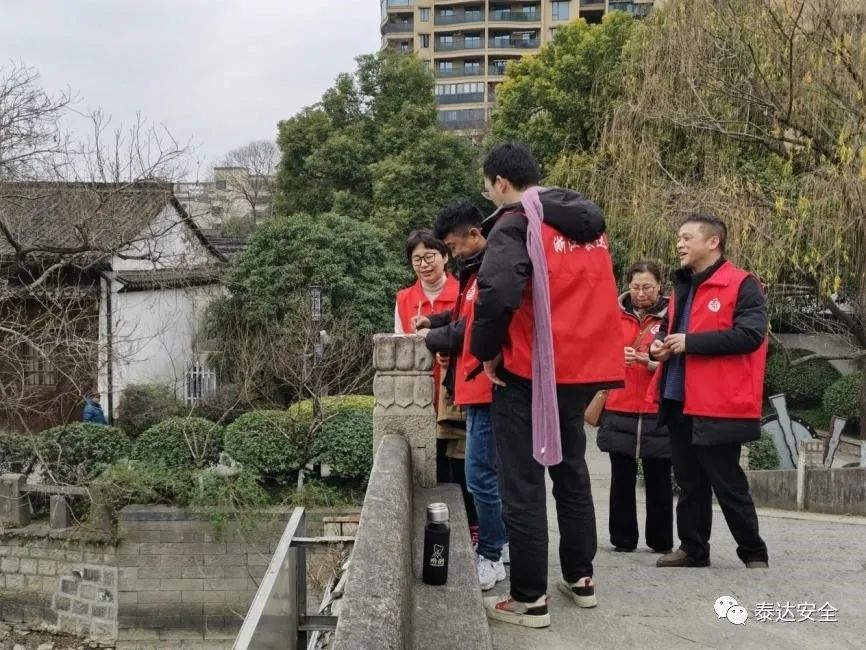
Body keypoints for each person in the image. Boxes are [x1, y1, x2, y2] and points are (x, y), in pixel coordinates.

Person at [469, 143, 625, 628]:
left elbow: (497, 292)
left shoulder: (517, 222)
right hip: (583, 367)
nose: (489, 194)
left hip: (532, 370)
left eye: (487, 187)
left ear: (500, 182)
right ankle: (581, 577)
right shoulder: (585, 225)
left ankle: (529, 598)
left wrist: (486, 351)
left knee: (523, 483)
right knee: (571, 472)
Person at [648, 213, 769, 570]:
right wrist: (659, 346)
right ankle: (693, 548)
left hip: (717, 402)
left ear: (713, 241)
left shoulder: (743, 284)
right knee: (688, 480)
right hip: (678, 396)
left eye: (687, 237)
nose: (679, 244)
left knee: (727, 481)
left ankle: (753, 552)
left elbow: (751, 335)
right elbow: (669, 328)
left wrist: (691, 343)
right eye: (678, 238)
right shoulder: (682, 285)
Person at [413, 201, 509, 592]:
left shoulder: (492, 270)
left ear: (474, 233)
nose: (452, 254)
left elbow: (469, 329)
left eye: (452, 247)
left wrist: (430, 336)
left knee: (480, 477)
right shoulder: (475, 269)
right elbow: (460, 316)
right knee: (483, 475)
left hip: (487, 387)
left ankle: (492, 552)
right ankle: (499, 545)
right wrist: (434, 321)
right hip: (473, 386)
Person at [597, 260, 673, 554]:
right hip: (620, 404)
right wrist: (616, 358)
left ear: (659, 286)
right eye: (635, 287)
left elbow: (680, 362)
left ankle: (661, 540)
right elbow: (596, 352)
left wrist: (651, 363)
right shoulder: (613, 314)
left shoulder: (672, 315)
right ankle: (623, 539)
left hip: (657, 407)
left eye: (648, 287)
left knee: (659, 478)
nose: (641, 293)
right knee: (621, 478)